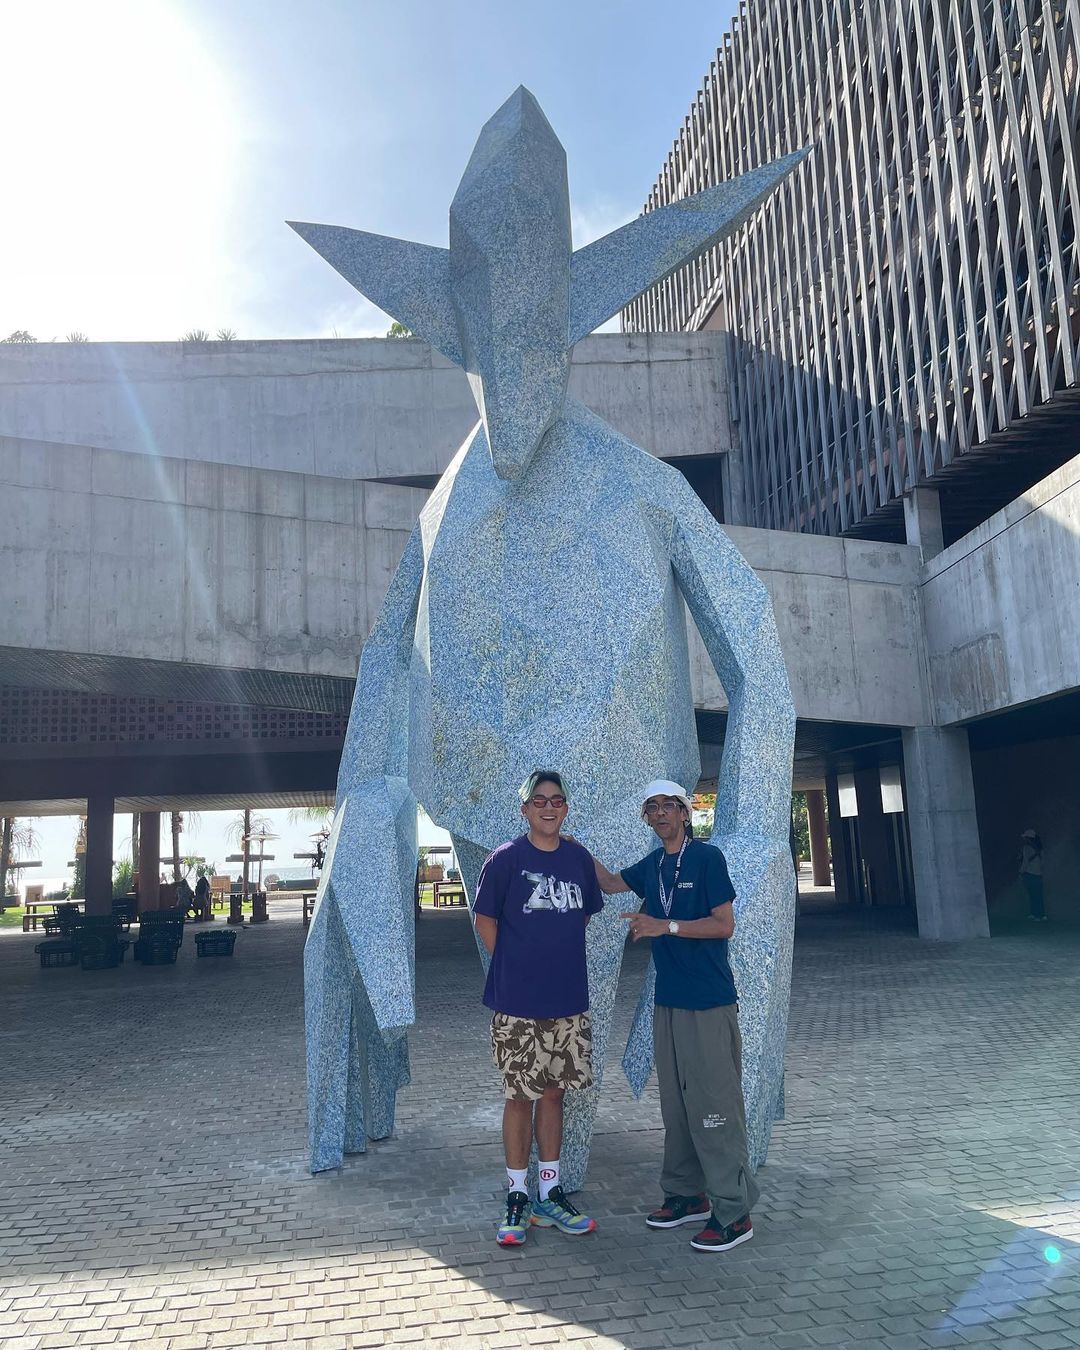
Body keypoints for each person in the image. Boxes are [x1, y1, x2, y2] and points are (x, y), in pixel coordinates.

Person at [593, 779, 758, 1254]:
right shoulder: (653, 865)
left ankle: (734, 1211)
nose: (661, 813)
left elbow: (724, 924)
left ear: (686, 813)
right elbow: (610, 883)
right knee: (677, 1105)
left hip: (708, 1002)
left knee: (714, 1105)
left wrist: (664, 925)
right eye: (653, 807)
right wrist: (566, 842)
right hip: (669, 1002)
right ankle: (687, 1194)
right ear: (646, 818)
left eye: (669, 805)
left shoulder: (707, 859)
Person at [473, 770, 603, 1247]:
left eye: (557, 800)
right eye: (540, 800)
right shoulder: (506, 860)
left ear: (566, 808)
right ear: (525, 809)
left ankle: (550, 1193)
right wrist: (514, 965)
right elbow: (484, 919)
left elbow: (583, 913)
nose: (549, 807)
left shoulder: (578, 859)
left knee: (553, 1094)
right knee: (519, 1097)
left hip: (567, 1002)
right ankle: (518, 1195)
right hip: (517, 1005)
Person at [1019, 829, 1045, 921]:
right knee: (1039, 895)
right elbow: (1043, 862)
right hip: (1039, 874)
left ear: (1028, 838)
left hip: (1030, 873)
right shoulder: (1040, 848)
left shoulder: (1026, 848)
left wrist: (1021, 872)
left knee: (1033, 895)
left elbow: (1025, 862)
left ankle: (1036, 914)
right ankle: (1041, 914)